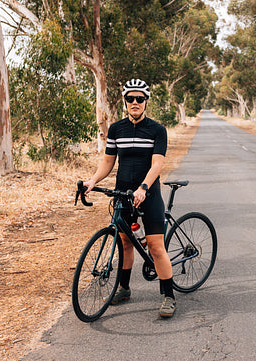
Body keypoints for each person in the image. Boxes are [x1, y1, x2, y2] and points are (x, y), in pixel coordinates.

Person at [83, 78, 176, 318]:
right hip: (123, 193)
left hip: (149, 193)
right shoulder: (116, 129)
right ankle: (124, 288)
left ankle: (169, 296)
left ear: (146, 102)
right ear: (125, 101)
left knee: (156, 247)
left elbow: (157, 164)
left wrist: (144, 187)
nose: (135, 102)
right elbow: (107, 161)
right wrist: (93, 181)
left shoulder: (157, 130)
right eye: (130, 98)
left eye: (140, 99)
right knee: (124, 243)